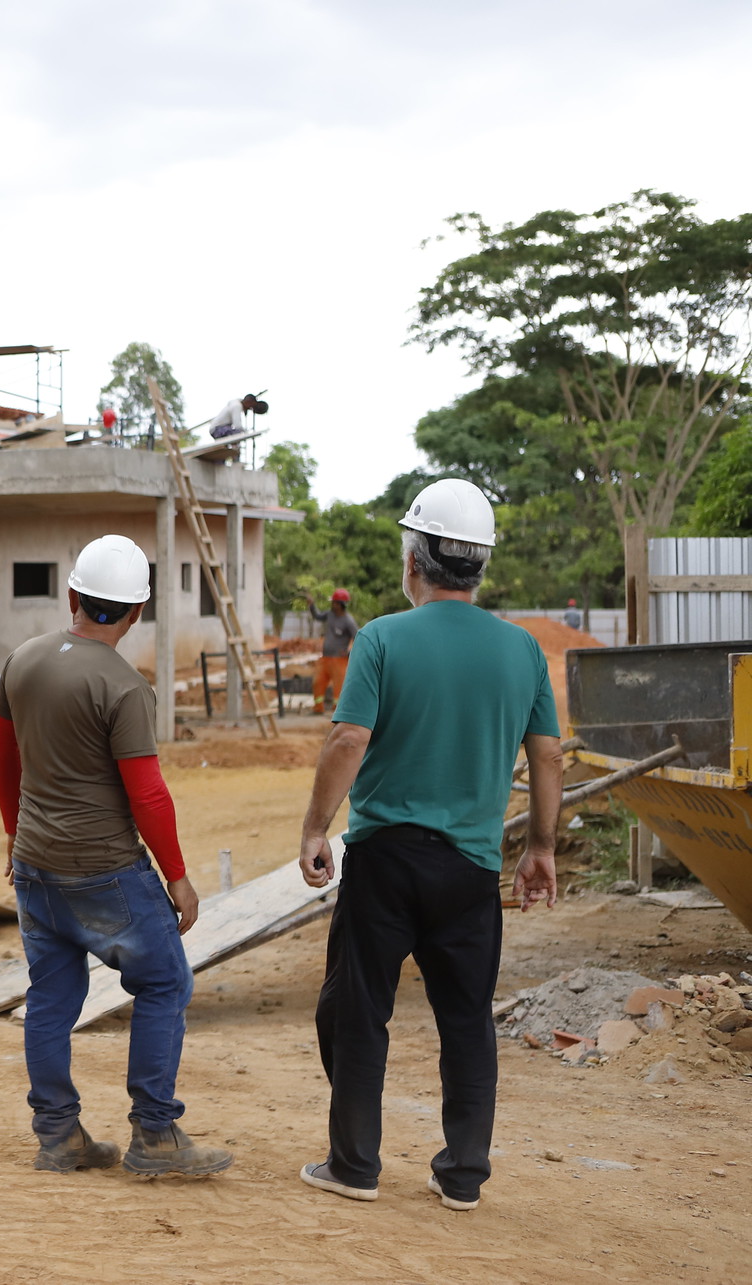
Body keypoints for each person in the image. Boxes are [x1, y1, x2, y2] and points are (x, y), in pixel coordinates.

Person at [294, 477, 561, 1212]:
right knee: (467, 1020)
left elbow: (348, 739)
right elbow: (548, 755)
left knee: (356, 1011)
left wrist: (316, 827)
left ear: (414, 560)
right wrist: (540, 846)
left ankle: (354, 1164)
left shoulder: (382, 637)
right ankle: (462, 1175)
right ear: (481, 565)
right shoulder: (523, 650)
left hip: (384, 860)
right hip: (471, 869)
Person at [0, 535, 232, 1179]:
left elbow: (0, 753)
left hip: (35, 867)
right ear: (138, 612)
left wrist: (14, 834)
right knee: (165, 982)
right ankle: (155, 1134)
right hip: (106, 872)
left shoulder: (21, 661)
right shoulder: (125, 688)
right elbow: (147, 794)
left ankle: (59, 1136)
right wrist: (177, 876)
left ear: (72, 596)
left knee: (51, 996)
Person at [304, 588, 359, 715]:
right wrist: (311, 605)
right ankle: (318, 708)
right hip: (325, 658)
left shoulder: (348, 621)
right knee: (318, 682)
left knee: (339, 687)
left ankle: (338, 712)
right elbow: (317, 616)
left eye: (334, 602)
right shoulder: (329, 614)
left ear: (341, 604)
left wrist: (350, 652)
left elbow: (358, 637)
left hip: (339, 660)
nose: (332, 604)